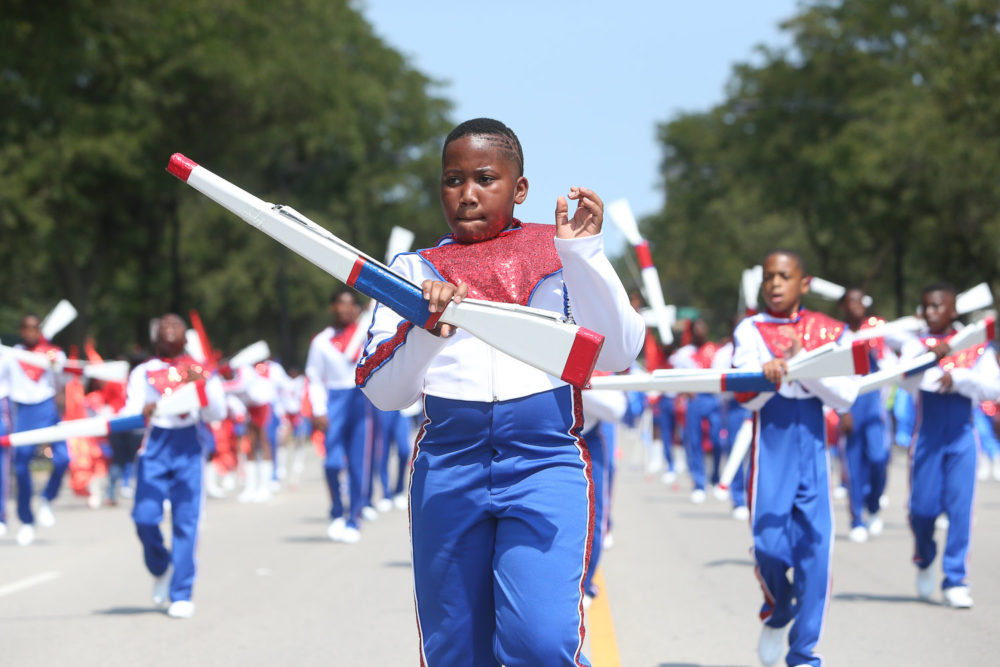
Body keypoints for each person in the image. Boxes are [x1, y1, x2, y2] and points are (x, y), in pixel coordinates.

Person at [356, 118, 643, 666]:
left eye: (485, 178)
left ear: (520, 189)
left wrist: (585, 256)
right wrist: (424, 325)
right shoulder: (413, 270)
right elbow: (384, 392)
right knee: (456, 653)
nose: (466, 194)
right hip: (449, 464)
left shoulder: (560, 251)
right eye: (452, 179)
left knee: (541, 643)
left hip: (543, 461)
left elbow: (619, 351)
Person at [732, 250, 858, 667]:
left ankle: (804, 653)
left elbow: (845, 395)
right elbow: (746, 399)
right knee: (768, 547)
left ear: (804, 283)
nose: (775, 284)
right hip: (772, 445)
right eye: (769, 276)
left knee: (816, 557)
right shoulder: (751, 329)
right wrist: (766, 376)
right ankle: (778, 606)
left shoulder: (829, 330)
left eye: (784, 276)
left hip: (814, 447)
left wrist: (803, 365)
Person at [899, 283, 1000, 609]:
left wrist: (959, 377)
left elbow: (993, 389)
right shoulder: (914, 344)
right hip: (927, 437)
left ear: (953, 311)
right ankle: (925, 555)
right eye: (926, 306)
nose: (930, 312)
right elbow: (906, 381)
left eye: (937, 306)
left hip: (962, 438)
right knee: (922, 510)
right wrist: (930, 359)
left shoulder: (974, 344)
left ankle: (955, 578)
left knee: (960, 511)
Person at [122, 313, 226, 619]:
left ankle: (181, 591)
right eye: (162, 326)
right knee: (144, 518)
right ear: (155, 337)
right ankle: (161, 567)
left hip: (189, 447)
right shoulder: (143, 372)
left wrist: (202, 387)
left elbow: (216, 413)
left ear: (185, 337)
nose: (168, 329)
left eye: (175, 325)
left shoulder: (202, 370)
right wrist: (143, 411)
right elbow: (129, 413)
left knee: (186, 522)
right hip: (154, 447)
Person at [306, 287, 374, 544]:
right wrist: (318, 409)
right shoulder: (321, 342)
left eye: (350, 304)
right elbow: (313, 378)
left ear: (357, 308)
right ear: (332, 308)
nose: (345, 309)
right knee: (332, 462)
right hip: (334, 400)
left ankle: (353, 517)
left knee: (359, 463)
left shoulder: (368, 333)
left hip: (360, 400)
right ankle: (336, 509)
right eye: (340, 304)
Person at [0, 314, 71, 546]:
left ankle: (46, 498)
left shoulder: (53, 352)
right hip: (24, 414)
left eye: (35, 328)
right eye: (27, 328)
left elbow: (67, 376)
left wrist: (55, 365)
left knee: (62, 459)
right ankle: (27, 521)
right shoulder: (11, 355)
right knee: (21, 469)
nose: (31, 332)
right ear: (22, 331)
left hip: (48, 409)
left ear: (39, 330)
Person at [837, 287, 893, 543]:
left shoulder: (876, 333)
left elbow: (893, 361)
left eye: (859, 301)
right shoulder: (838, 337)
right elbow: (832, 376)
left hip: (872, 405)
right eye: (850, 302)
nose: (855, 306)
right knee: (853, 465)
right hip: (850, 405)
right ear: (843, 306)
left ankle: (874, 504)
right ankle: (856, 518)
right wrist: (841, 410)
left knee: (879, 458)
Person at [670, 318, 723, 503]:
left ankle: (715, 477)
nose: (701, 331)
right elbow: (676, 378)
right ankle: (699, 483)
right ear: (692, 332)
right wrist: (687, 391)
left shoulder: (715, 351)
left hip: (713, 398)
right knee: (694, 441)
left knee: (718, 440)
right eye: (697, 328)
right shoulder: (684, 354)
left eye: (704, 328)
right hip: (695, 400)